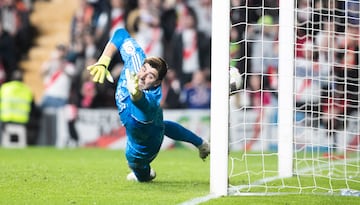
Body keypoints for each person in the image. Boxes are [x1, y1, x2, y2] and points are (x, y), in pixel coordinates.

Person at [87, 28, 210, 182]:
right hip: (153, 123)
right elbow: (120, 34)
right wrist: (104, 61)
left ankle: (145, 172)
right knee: (161, 125)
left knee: (135, 164)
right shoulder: (136, 59)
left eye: (150, 76)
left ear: (158, 82)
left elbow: (142, 104)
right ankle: (201, 143)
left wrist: (135, 94)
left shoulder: (152, 98)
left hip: (145, 142)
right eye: (144, 70)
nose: (143, 76)